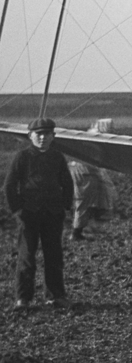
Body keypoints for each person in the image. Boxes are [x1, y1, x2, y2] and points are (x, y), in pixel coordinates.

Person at [5, 117, 74, 310]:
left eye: (47, 134)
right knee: (27, 256)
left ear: (53, 136)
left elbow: (67, 183)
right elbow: (10, 185)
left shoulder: (57, 157)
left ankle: (55, 296)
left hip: (53, 214)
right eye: (38, 134)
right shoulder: (22, 157)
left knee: (54, 256)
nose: (42, 138)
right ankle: (23, 299)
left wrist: (65, 206)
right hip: (28, 215)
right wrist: (18, 209)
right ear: (30, 136)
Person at [69, 119, 117, 240]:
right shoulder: (98, 138)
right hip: (85, 172)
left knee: (85, 199)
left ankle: (84, 224)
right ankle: (76, 233)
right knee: (83, 201)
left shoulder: (89, 135)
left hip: (78, 169)